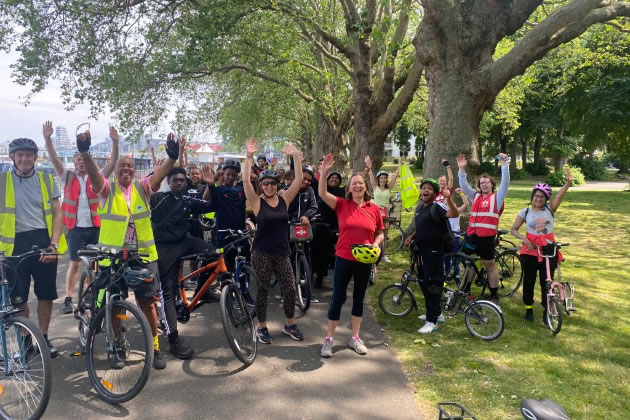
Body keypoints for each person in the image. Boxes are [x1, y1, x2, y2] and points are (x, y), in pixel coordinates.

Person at [80, 132, 180, 370]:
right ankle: (117, 345)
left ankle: (154, 346)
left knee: (148, 302)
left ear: (135, 170)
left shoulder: (142, 187)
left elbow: (158, 177)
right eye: (121, 166)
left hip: (143, 256)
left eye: (130, 166)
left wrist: (172, 158)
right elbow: (95, 177)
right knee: (114, 303)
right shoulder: (107, 189)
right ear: (115, 170)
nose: (126, 169)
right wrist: (85, 153)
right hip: (112, 256)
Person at [43, 121, 119, 314]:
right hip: (75, 227)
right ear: (75, 163)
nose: (81, 163)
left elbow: (112, 163)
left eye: (84, 160)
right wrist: (47, 138)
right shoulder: (67, 176)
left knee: (99, 264)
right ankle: (68, 298)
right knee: (75, 263)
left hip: (96, 226)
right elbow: (53, 159)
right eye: (78, 161)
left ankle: (96, 295)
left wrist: (115, 142)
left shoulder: (98, 176)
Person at [0, 137, 66, 358]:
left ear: (36, 158)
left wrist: (54, 245)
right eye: (20, 155)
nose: (25, 159)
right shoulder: (1, 181)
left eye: (29, 155)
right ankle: (27, 341)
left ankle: (44, 339)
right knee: (18, 299)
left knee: (45, 294)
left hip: (43, 241)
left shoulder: (47, 180)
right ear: (12, 158)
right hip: (13, 245)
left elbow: (58, 213)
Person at [318, 154, 384, 357]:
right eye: (354, 183)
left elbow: (380, 232)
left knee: (359, 299)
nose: (358, 186)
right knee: (337, 298)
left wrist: (376, 245)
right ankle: (329, 339)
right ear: (349, 188)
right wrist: (325, 172)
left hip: (364, 260)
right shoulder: (341, 205)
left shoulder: (374, 209)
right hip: (344, 257)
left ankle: (355, 337)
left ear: (365, 187)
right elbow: (322, 193)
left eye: (361, 183)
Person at [242, 138, 305, 344]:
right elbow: (245, 182)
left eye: (272, 183)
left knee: (289, 288)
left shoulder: (284, 199)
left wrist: (295, 155)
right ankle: (261, 326)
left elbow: (298, 180)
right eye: (265, 184)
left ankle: (290, 323)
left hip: (282, 252)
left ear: (277, 185)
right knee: (262, 290)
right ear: (261, 186)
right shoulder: (257, 202)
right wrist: (249, 157)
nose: (269, 186)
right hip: (261, 252)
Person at [150, 166, 214, 360]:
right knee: (167, 292)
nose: (180, 183)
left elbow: (210, 206)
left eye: (182, 180)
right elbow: (148, 188)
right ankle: (173, 340)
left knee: (215, 254)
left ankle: (206, 289)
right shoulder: (157, 198)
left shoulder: (187, 200)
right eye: (175, 180)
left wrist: (213, 186)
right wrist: (159, 170)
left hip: (185, 242)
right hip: (164, 248)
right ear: (168, 182)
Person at [510, 167, 571, 323]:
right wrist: (524, 239)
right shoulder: (525, 211)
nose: (538, 199)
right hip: (529, 249)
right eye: (536, 196)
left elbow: (560, 196)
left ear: (546, 198)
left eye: (542, 197)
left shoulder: (550, 209)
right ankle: (528, 308)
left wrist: (567, 183)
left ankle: (547, 308)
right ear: (533, 196)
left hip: (547, 249)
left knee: (547, 281)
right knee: (529, 280)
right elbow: (514, 230)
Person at [403, 178, 459, 334]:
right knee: (423, 283)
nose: (425, 191)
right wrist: (412, 236)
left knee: (433, 285)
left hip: (434, 252)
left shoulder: (438, 206)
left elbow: (453, 213)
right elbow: (423, 225)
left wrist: (449, 199)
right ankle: (436, 313)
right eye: (423, 188)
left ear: (434, 193)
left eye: (429, 189)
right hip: (421, 251)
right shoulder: (421, 207)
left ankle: (432, 321)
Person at [456, 153, 510, 306]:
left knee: (490, 266)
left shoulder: (497, 198)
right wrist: (461, 169)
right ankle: (466, 289)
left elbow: (505, 183)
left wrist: (505, 166)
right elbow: (465, 186)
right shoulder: (476, 197)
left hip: (487, 239)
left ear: (492, 185)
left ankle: (494, 296)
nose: (484, 185)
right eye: (481, 183)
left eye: (487, 183)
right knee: (471, 264)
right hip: (473, 237)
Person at [311, 170, 345, 288]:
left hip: (336, 226)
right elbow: (313, 180)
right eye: (332, 177)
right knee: (319, 250)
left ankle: (339, 277)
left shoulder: (342, 192)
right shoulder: (321, 191)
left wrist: (366, 171)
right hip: (320, 225)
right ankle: (319, 275)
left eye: (337, 178)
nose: (334, 179)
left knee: (337, 253)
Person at [364, 155, 400, 263]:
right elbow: (370, 175)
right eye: (381, 178)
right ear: (378, 179)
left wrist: (399, 165)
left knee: (384, 235)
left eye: (384, 178)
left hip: (384, 213)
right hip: (375, 212)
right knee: (374, 234)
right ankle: (374, 253)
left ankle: (383, 255)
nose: (383, 180)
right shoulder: (375, 187)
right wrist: (369, 166)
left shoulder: (389, 189)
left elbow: (395, 177)